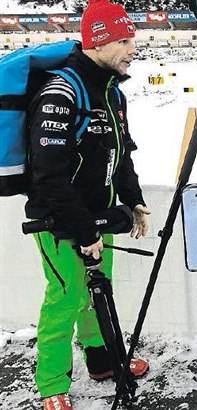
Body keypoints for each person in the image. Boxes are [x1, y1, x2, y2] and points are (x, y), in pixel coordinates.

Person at [25, 1, 151, 409]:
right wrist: (82, 231)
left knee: (100, 292)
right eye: (125, 40)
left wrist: (133, 200)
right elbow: (48, 176)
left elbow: (122, 153)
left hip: (101, 218)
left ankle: (102, 362)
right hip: (60, 222)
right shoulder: (60, 94)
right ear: (98, 42)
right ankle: (51, 386)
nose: (134, 49)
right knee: (66, 299)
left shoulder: (112, 92)